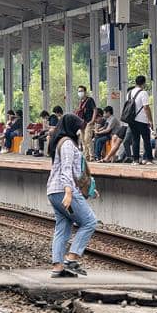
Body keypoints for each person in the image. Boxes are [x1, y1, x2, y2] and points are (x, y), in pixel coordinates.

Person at [45, 114, 97, 278]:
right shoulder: (67, 143)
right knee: (89, 221)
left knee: (63, 227)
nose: (79, 130)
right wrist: (68, 192)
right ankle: (72, 258)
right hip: (64, 190)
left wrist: (88, 188)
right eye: (77, 126)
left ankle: (58, 267)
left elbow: (74, 171)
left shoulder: (59, 142)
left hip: (53, 191)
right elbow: (67, 169)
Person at [128, 75, 153, 164]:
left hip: (132, 120)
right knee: (146, 139)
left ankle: (135, 160)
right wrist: (150, 120)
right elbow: (146, 107)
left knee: (135, 139)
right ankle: (148, 159)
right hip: (142, 120)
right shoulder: (143, 93)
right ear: (144, 83)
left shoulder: (130, 93)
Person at [76, 87, 96, 159]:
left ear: (85, 91)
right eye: (78, 91)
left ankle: (92, 155)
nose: (80, 92)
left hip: (89, 122)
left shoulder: (90, 100)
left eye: (81, 91)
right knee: (83, 139)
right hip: (82, 123)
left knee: (87, 138)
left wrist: (93, 120)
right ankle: (86, 155)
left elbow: (95, 109)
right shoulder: (81, 101)